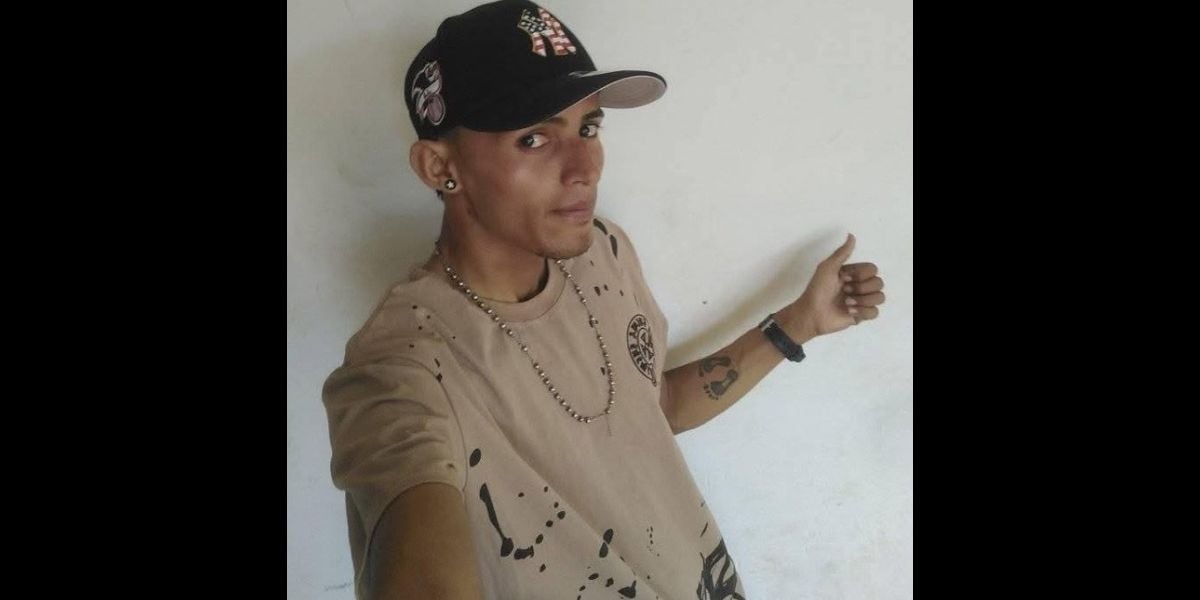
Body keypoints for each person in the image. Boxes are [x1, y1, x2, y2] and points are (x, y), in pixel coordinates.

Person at [321, 1, 885, 598]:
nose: (584, 167)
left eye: (588, 129)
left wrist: (797, 324)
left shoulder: (604, 252)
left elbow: (655, 405)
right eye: (534, 138)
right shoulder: (403, 365)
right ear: (440, 166)